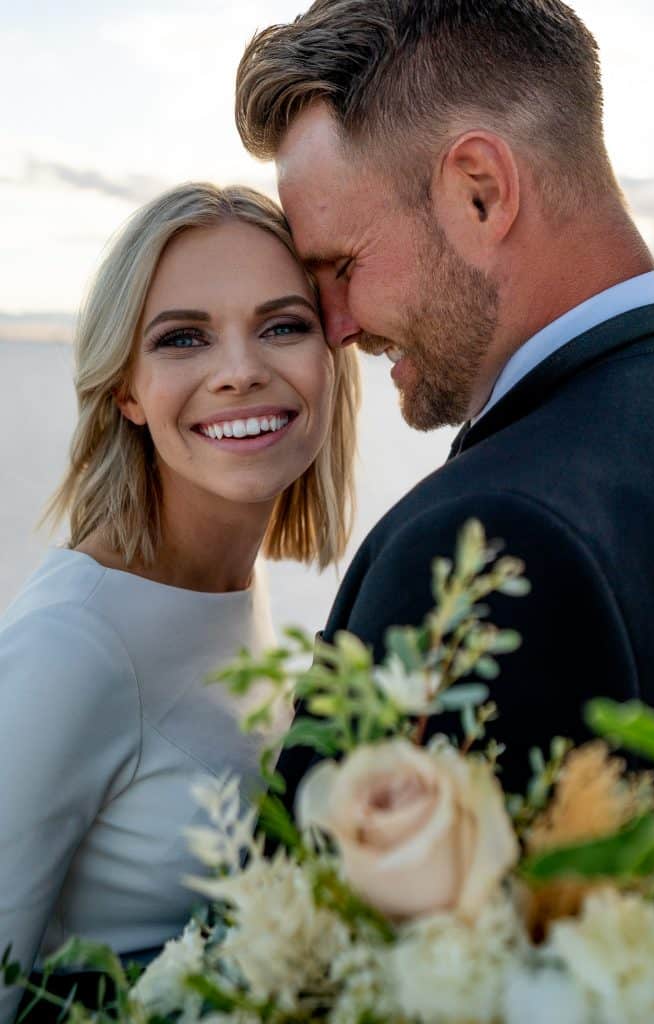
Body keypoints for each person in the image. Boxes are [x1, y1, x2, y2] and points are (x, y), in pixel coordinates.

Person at [235, 0, 654, 805]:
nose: (334, 327)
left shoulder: (482, 542)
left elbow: (337, 915)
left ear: (479, 191)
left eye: (341, 264)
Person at [0, 183, 359, 1022]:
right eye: (183, 338)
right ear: (125, 388)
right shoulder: (71, 646)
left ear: (330, 357)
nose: (239, 371)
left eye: (282, 325)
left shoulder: (236, 583)